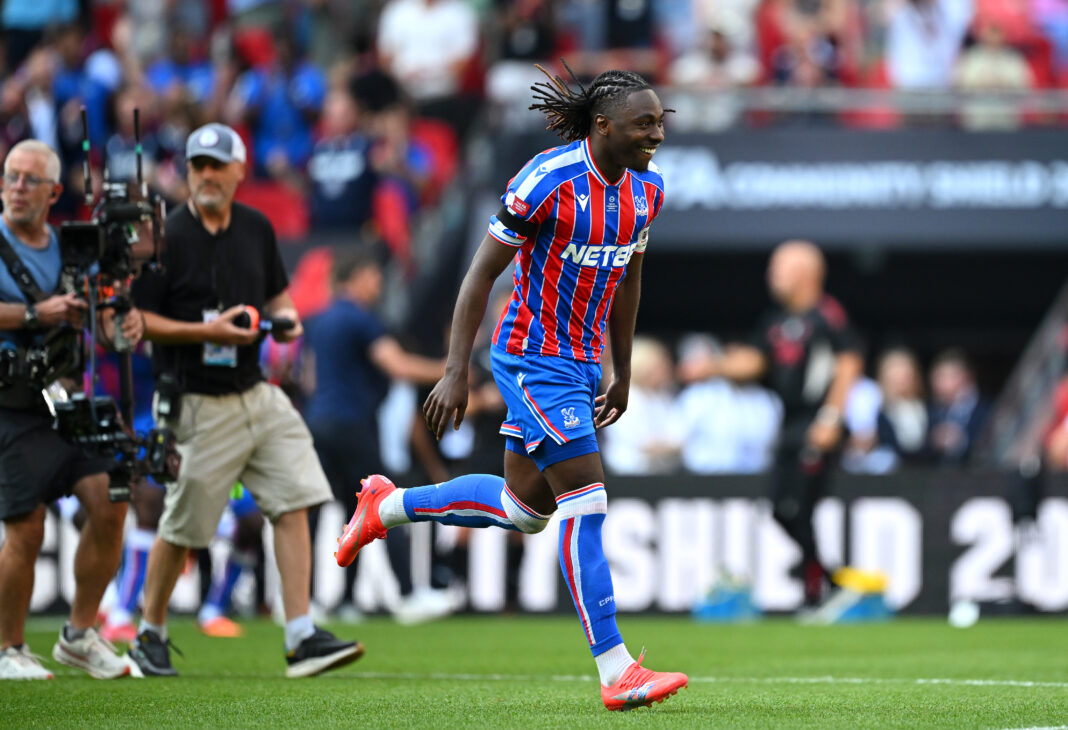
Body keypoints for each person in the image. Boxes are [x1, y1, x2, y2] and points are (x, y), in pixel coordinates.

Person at [334, 67, 688, 711]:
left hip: (582, 366)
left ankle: (383, 507)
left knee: (527, 511)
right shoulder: (545, 180)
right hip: (531, 355)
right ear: (602, 126)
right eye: (646, 123)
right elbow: (478, 275)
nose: (658, 133)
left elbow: (629, 279)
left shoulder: (647, 192)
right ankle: (616, 670)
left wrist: (624, 370)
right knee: (587, 502)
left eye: (661, 120)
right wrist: (453, 369)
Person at [126, 123, 361, 678]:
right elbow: (138, 324)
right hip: (197, 398)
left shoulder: (255, 227)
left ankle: (300, 634)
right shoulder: (168, 237)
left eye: (216, 164)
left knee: (298, 495)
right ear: (187, 171)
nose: (206, 174)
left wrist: (285, 320)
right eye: (197, 164)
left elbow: (278, 293)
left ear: (238, 170)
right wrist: (209, 334)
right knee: (184, 524)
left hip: (256, 389)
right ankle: (149, 633)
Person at [0, 139, 143, 680]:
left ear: (55, 192)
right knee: (27, 525)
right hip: (9, 403)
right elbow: (50, 311)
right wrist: (38, 312)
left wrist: (118, 326)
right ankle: (8, 649)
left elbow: (98, 312)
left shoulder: (72, 246)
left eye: (29, 180)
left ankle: (80, 634)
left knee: (112, 499)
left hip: (64, 397)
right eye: (11, 176)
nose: (16, 188)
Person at [690, 240, 863, 607]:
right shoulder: (775, 322)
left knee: (798, 507)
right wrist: (715, 367)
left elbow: (849, 363)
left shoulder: (826, 315)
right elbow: (756, 361)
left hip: (817, 423)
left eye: (780, 267)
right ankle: (827, 577)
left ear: (806, 272)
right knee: (780, 508)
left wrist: (832, 417)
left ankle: (816, 586)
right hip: (789, 426)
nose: (772, 275)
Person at [302, 245, 447, 622]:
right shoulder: (363, 321)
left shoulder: (316, 321)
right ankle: (408, 595)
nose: (379, 283)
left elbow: (308, 377)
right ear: (359, 277)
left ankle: (321, 601)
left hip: (317, 423)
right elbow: (397, 365)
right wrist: (452, 371)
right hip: (352, 424)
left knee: (329, 513)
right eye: (374, 276)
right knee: (380, 505)